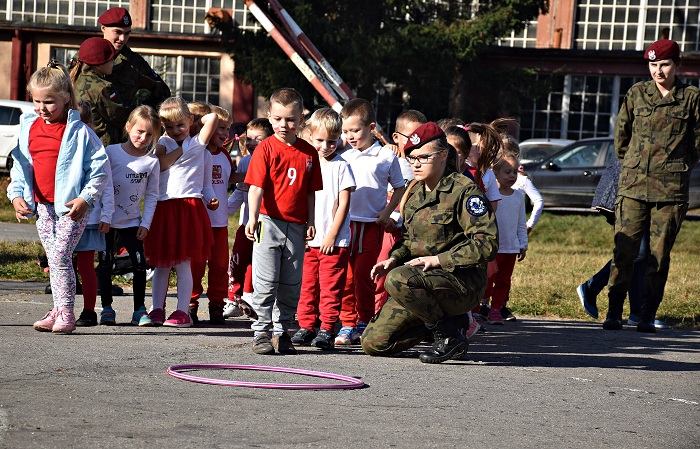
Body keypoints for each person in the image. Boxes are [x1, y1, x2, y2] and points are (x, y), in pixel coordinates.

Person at [362, 122, 498, 363]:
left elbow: (486, 243)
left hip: (461, 282)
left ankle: (449, 335)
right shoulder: (415, 192)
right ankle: (444, 323)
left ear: (443, 155)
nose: (415, 164)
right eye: (412, 158)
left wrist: (439, 260)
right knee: (374, 343)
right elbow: (409, 240)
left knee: (398, 278)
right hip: (421, 284)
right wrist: (393, 258)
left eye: (423, 157)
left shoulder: (464, 191)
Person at [605, 39, 700, 333]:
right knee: (624, 250)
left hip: (670, 190)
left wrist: (677, 165)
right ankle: (614, 311)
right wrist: (634, 164)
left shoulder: (691, 98)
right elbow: (621, 137)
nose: (658, 71)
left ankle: (647, 314)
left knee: (658, 256)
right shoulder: (636, 93)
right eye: (653, 64)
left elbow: (697, 142)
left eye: (664, 64)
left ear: (677, 65)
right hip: (633, 186)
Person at [7, 60, 108, 333]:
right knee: (54, 260)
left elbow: (100, 169)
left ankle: (66, 313)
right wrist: (16, 196)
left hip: (71, 208)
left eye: (49, 102)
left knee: (61, 255)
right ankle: (58, 309)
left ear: (65, 98)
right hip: (43, 207)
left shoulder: (80, 132)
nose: (41, 108)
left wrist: (86, 198)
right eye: (36, 101)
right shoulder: (29, 127)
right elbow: (20, 166)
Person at [244, 88, 323, 355]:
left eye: (290, 119)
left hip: (297, 227)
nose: (283, 125)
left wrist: (311, 220)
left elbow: (310, 192)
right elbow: (256, 187)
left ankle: (282, 332)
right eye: (277, 119)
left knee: (291, 284)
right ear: (269, 116)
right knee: (266, 282)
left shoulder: (309, 153)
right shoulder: (265, 148)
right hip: (268, 223)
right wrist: (253, 218)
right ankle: (261, 332)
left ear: (301, 119)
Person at [336, 99, 406, 346]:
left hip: (371, 226)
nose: (350, 136)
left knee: (364, 276)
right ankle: (347, 323)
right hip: (346, 225)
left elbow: (399, 187)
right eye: (346, 131)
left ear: (371, 127)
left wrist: (387, 212)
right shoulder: (344, 157)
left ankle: (364, 321)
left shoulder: (386, 156)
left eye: (355, 130)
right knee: (346, 277)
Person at [144, 97, 219, 327]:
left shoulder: (198, 144)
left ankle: (182, 311)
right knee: (162, 264)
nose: (175, 130)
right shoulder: (163, 142)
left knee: (183, 263)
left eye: (180, 125)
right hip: (164, 207)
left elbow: (213, 117)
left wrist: (210, 197)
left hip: (188, 208)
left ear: (190, 120)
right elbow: (157, 163)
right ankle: (157, 308)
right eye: (169, 126)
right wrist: (177, 146)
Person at [292, 108, 356, 350]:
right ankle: (306, 326)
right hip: (309, 239)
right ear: (309, 136)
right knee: (307, 286)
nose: (325, 146)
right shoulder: (306, 163)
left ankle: (327, 327)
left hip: (334, 241)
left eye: (332, 141)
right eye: (319, 140)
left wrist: (332, 234)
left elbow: (344, 204)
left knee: (330, 288)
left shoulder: (342, 166)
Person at [98, 105, 161, 326]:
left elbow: (152, 195)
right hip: (106, 221)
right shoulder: (111, 152)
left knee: (140, 264)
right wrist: (103, 216)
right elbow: (102, 184)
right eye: (139, 131)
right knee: (105, 263)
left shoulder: (151, 161)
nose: (143, 138)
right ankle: (107, 308)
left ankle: (139, 310)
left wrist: (146, 223)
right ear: (128, 127)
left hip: (132, 222)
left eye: (149, 134)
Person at [577, 155, 650, 326]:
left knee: (641, 253)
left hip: (646, 189)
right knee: (636, 250)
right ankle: (592, 287)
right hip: (627, 189)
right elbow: (622, 150)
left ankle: (637, 312)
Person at [373, 110, 427, 313]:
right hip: (386, 228)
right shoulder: (387, 159)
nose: (416, 142)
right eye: (411, 137)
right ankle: (374, 315)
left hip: (412, 231)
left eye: (421, 137)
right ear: (396, 137)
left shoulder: (424, 165)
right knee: (380, 273)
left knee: (406, 277)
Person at [224, 118, 273, 319]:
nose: (252, 143)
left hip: (268, 224)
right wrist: (224, 211)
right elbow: (239, 191)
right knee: (237, 260)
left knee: (260, 264)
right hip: (246, 224)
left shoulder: (274, 160)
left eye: (258, 139)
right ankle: (233, 298)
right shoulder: (244, 162)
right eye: (249, 139)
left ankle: (251, 298)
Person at [190, 105, 235, 325]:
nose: (225, 133)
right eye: (220, 128)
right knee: (196, 265)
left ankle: (217, 304)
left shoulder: (225, 154)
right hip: (199, 221)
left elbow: (231, 178)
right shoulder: (196, 152)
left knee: (219, 266)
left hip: (220, 223)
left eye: (227, 128)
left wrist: (256, 176)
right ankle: (190, 303)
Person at [72, 102, 115, 327]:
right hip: (64, 214)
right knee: (62, 265)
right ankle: (62, 309)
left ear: (88, 124)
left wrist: (106, 215)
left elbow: (106, 184)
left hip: (89, 217)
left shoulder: (96, 146)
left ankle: (89, 311)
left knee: (85, 265)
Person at [481, 153, 528, 325]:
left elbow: (521, 223)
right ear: (495, 174)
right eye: (507, 172)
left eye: (515, 172)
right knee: (487, 280)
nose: (512, 176)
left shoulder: (519, 196)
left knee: (503, 281)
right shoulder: (490, 196)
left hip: (510, 249)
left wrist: (522, 244)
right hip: (493, 248)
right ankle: (483, 306)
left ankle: (496, 309)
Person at [98, 7, 171, 110]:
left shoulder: (134, 62)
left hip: (121, 120)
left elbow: (163, 92)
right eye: (117, 32)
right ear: (103, 28)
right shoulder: (86, 54)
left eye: (127, 33)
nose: (122, 38)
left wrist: (141, 113)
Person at [70, 37, 134, 147]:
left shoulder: (76, 80)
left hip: (82, 141)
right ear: (99, 64)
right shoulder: (103, 87)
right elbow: (120, 117)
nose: (113, 62)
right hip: (102, 145)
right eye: (111, 59)